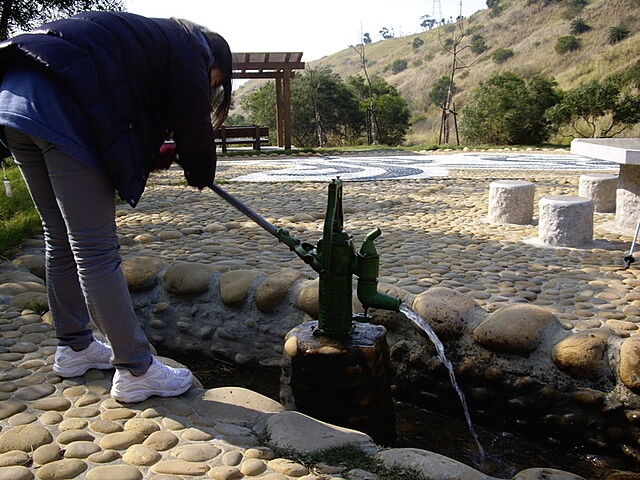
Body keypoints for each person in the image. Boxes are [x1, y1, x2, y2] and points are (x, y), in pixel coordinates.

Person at [0, 11, 233, 403]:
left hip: (15, 101)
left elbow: (118, 109)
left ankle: (75, 347)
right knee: (95, 249)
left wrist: (152, 153)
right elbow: (193, 124)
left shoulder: (150, 40)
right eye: (216, 81)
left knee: (59, 237)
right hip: (58, 106)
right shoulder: (193, 45)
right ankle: (136, 369)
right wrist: (199, 168)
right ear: (215, 63)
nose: (212, 88)